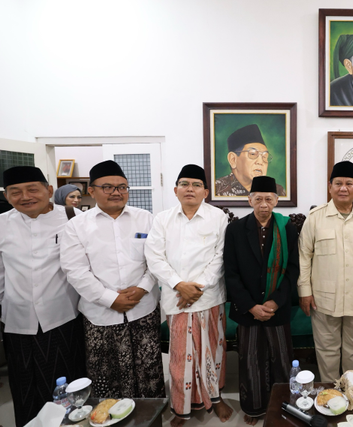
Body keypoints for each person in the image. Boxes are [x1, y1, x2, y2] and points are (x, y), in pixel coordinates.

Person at [60, 160, 164, 399]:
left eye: (122, 187)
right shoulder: (77, 226)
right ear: (91, 190)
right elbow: (75, 270)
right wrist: (110, 299)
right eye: (108, 187)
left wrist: (142, 288)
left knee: (149, 371)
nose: (117, 192)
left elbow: (157, 259)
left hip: (143, 309)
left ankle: (151, 417)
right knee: (107, 377)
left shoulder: (145, 219)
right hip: (100, 314)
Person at [145, 164, 233, 426]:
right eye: (184, 184)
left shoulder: (218, 217)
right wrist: (178, 284)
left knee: (213, 353)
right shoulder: (162, 219)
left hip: (208, 298)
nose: (190, 189)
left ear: (205, 191)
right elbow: (154, 256)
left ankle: (215, 399)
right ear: (175, 190)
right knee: (180, 356)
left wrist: (197, 288)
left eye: (196, 185)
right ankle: (181, 407)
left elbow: (220, 257)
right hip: (176, 297)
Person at [0, 166, 86, 427]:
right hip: (17, 321)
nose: (25, 196)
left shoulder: (74, 218)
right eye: (15, 192)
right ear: (6, 196)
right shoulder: (2, 223)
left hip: (63, 317)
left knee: (66, 389)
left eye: (32, 189)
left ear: (49, 190)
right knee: (24, 388)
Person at [224, 176, 300, 425]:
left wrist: (276, 302)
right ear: (249, 200)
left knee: (281, 360)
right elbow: (230, 272)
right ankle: (254, 407)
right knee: (251, 361)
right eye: (258, 199)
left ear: (276, 201)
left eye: (269, 199)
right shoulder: (235, 229)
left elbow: (293, 269)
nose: (264, 204)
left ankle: (282, 405)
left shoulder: (286, 227)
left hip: (277, 306)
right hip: (248, 309)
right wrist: (250, 306)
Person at [298, 161, 353, 382]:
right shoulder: (315, 218)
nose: (343, 188)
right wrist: (304, 291)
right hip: (323, 298)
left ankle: (352, 393)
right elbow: (304, 257)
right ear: (330, 187)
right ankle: (331, 395)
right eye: (338, 183)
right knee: (327, 350)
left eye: (348, 183)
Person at [214, 124, 286, 197]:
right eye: (253, 154)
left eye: (265, 157)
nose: (260, 162)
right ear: (233, 159)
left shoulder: (277, 190)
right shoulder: (217, 189)